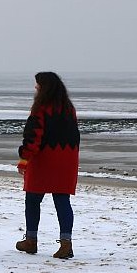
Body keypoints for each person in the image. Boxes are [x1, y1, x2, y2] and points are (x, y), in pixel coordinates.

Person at [15, 72, 81, 259]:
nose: (35, 88)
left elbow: (33, 136)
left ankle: (31, 240)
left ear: (44, 87)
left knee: (33, 200)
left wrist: (24, 159)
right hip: (67, 160)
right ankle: (66, 243)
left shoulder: (41, 109)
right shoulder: (69, 109)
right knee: (62, 201)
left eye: (37, 85)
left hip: (44, 160)